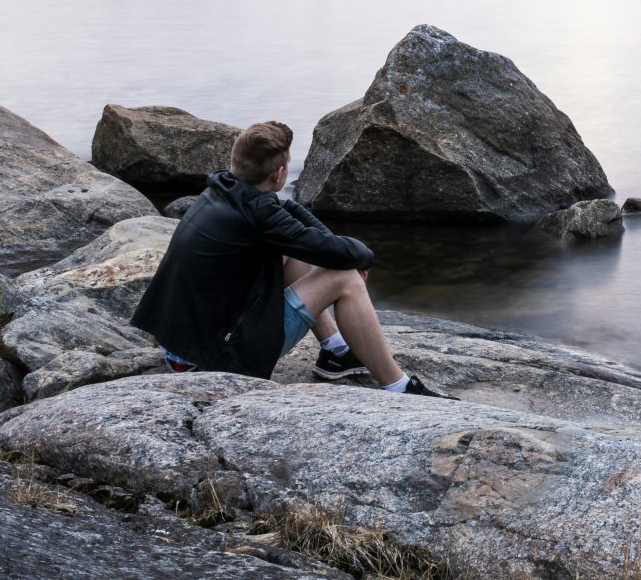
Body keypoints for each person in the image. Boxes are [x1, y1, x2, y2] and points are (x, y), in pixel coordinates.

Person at [130, 119, 452, 398]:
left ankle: (337, 351)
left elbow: (290, 215)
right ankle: (398, 387)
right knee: (345, 279)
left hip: (180, 346)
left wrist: (336, 248)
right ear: (280, 173)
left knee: (294, 253)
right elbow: (335, 251)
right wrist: (360, 258)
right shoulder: (259, 215)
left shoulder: (223, 189)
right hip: (213, 360)